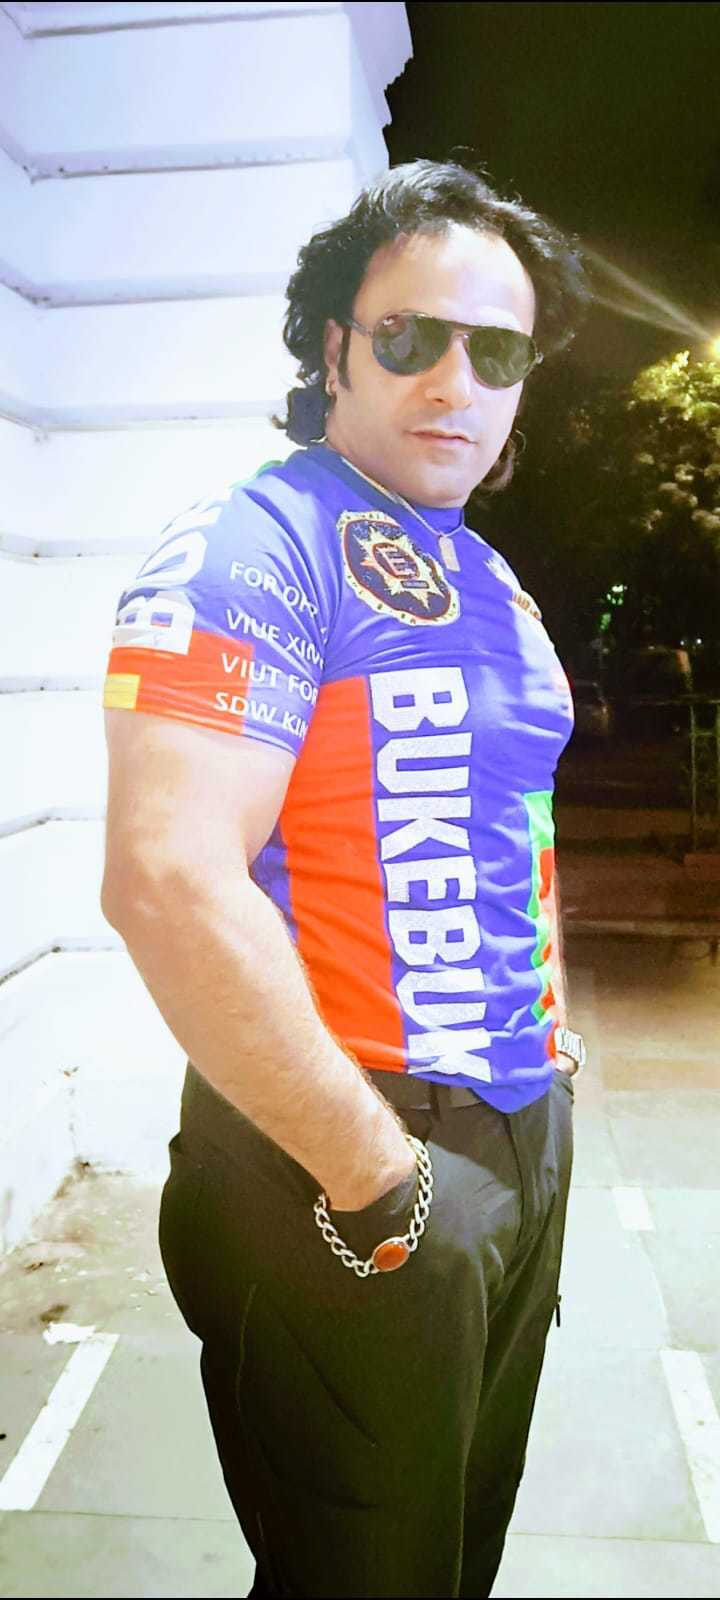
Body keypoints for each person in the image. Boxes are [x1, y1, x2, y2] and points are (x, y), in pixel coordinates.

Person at [101, 159, 589, 1599]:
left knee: (451, 1565)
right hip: (348, 1155)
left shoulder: (485, 574)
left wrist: (554, 1044)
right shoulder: (258, 540)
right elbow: (166, 879)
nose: (454, 380)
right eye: (409, 336)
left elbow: (515, 823)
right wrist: (379, 1181)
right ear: (333, 349)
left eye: (495, 352)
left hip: (516, 1133)